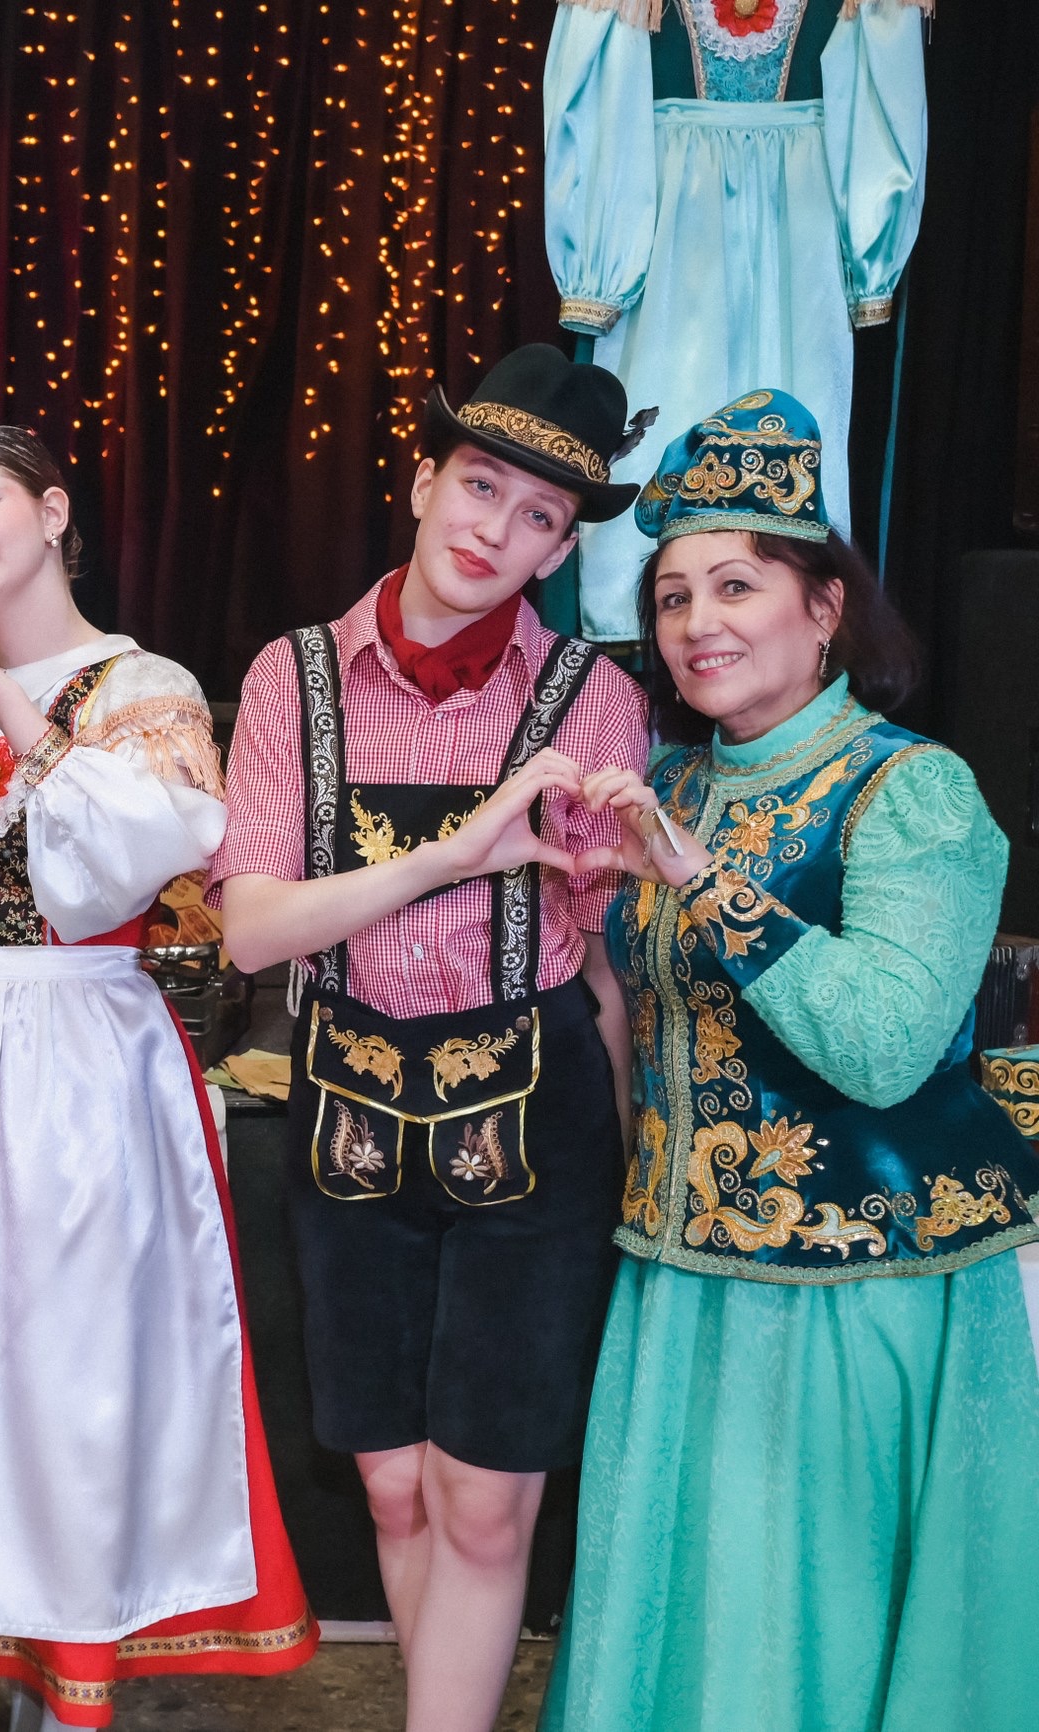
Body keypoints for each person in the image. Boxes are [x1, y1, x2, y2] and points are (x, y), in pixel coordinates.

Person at [538, 391, 1039, 1732]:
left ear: (825, 610)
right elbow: (640, 1018)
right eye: (671, 596)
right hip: (679, 1279)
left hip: (853, 1282)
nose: (695, 622)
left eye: (735, 586)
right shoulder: (673, 787)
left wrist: (705, 885)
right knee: (687, 1622)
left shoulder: (910, 789)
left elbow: (882, 1045)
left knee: (796, 1620)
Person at [211, 344, 651, 1732]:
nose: (494, 530)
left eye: (539, 517)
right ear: (420, 481)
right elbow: (253, 931)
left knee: (483, 1498)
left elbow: (602, 952)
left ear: (561, 550)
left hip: (533, 1119)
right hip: (345, 1111)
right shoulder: (292, 678)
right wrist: (454, 855)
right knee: (396, 1486)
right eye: (478, 486)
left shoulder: (594, 698)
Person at [0, 426, 318, 1728]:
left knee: (72, 1374)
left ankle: (73, 1682)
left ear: (53, 510)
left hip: (82, 1054)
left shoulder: (141, 685)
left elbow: (141, 850)